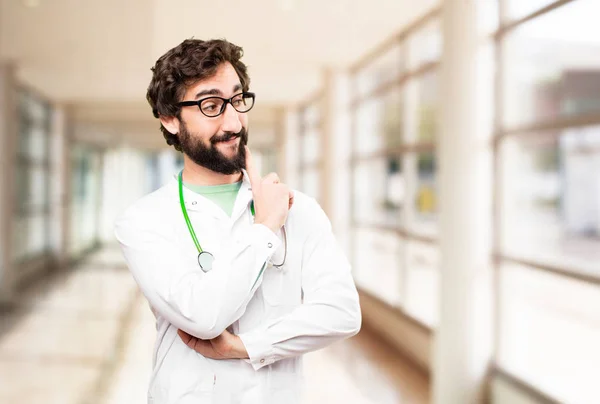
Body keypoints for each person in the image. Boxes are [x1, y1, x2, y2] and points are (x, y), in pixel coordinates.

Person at [114, 38, 361, 404]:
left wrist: (246, 347)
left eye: (237, 99)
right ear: (170, 119)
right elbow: (203, 316)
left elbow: (342, 312)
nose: (233, 121)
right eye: (211, 105)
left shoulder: (299, 209)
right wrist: (264, 229)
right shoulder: (144, 221)